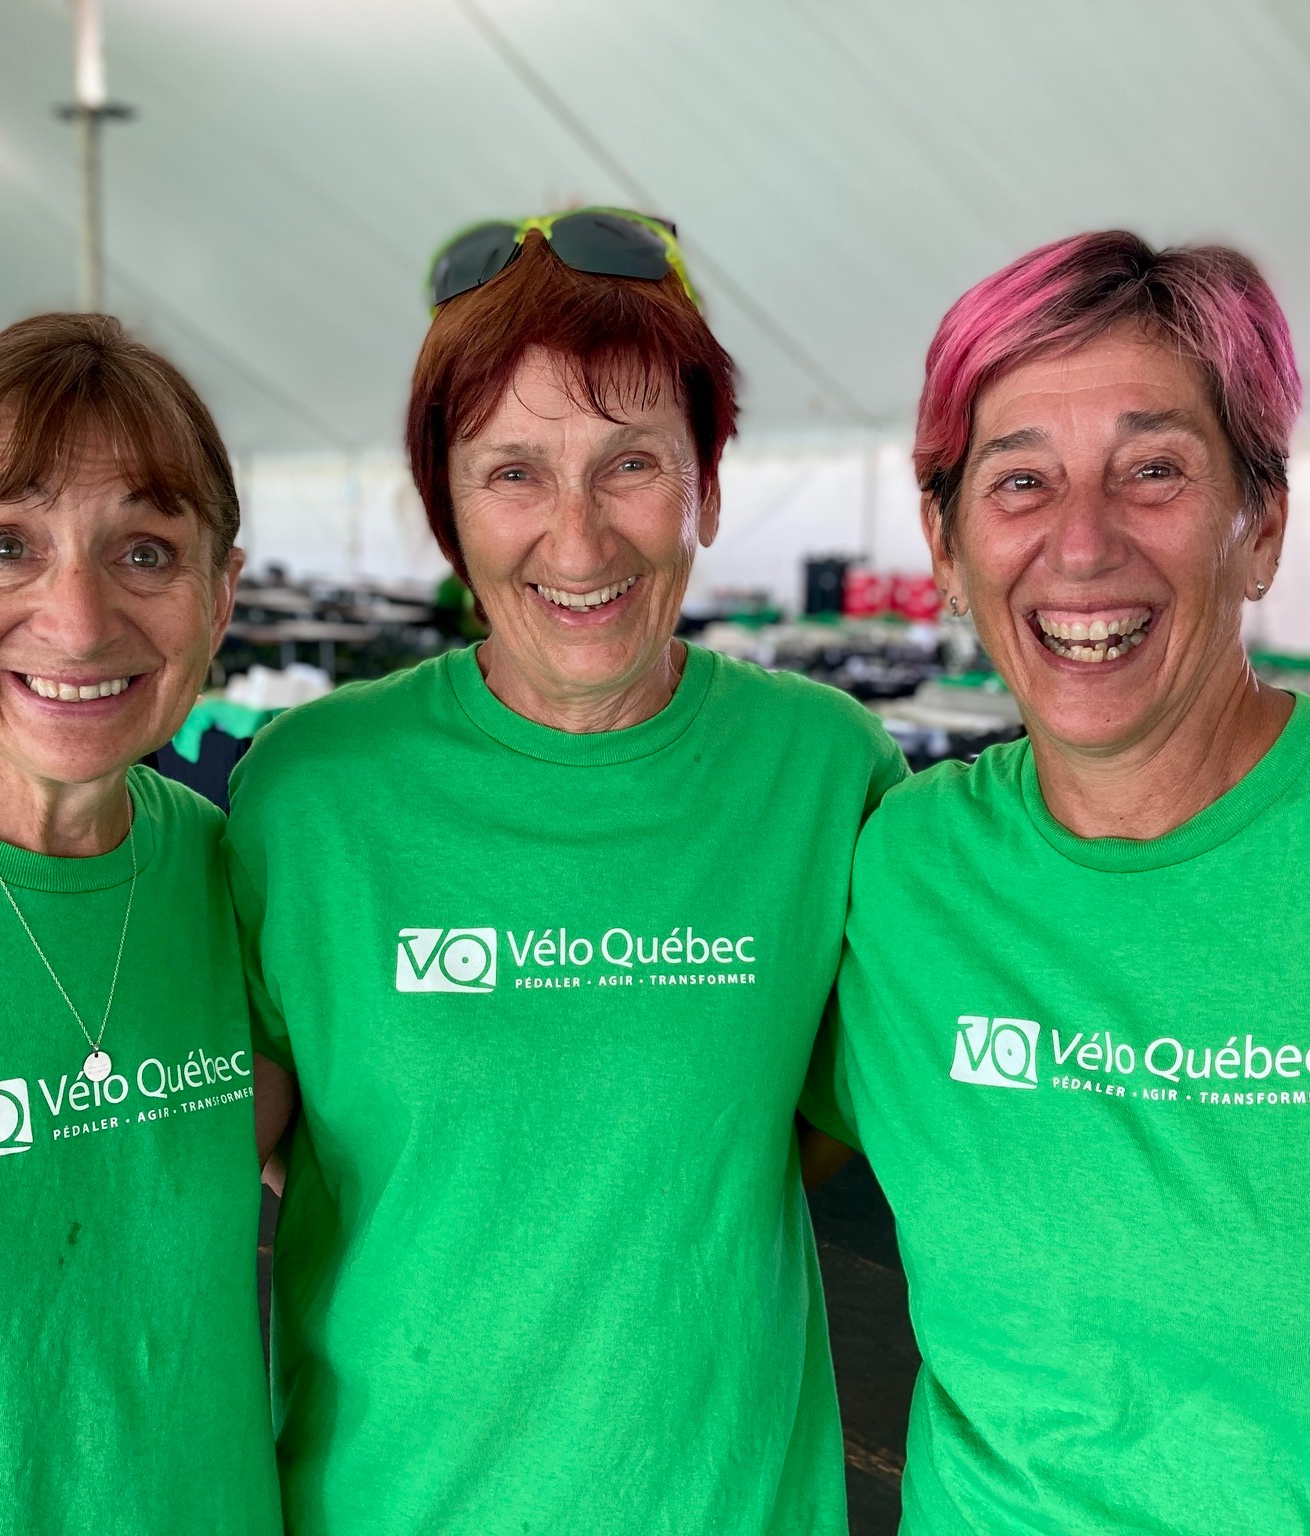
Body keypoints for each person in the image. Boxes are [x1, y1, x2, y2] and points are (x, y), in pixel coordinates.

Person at [229, 210, 906, 1533]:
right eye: (513, 473)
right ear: (447, 508)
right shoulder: (308, 793)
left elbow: (815, 1115)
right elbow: (239, 1148)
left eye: (632, 463)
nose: (580, 541)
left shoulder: (821, 774)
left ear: (706, 482)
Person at [804, 231, 1310, 1534]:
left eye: (1155, 469)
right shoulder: (901, 871)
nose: (1080, 543)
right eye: (1019, 482)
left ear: (1263, 523)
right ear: (944, 548)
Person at [0, 314, 281, 1533]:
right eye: (5, 545)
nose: (79, 622)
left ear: (219, 594)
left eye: (145, 551)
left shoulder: (233, 877)